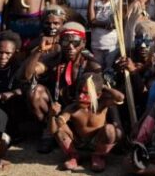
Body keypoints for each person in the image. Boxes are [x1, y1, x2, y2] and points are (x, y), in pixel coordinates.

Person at [24, 22, 102, 153]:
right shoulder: (54, 59)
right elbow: (29, 75)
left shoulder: (91, 64)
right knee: (35, 92)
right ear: (60, 43)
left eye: (75, 43)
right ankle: (49, 131)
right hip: (57, 107)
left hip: (79, 110)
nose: (70, 47)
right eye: (66, 42)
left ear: (83, 43)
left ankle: (82, 136)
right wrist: (39, 51)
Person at [50, 73, 125, 172]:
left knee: (110, 129)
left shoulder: (102, 105)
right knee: (60, 129)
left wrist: (104, 87)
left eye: (86, 93)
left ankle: (98, 156)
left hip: (97, 141)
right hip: (78, 142)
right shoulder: (72, 108)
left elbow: (120, 97)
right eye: (79, 92)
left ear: (97, 95)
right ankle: (73, 156)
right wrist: (52, 115)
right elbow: (54, 130)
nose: (81, 96)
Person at [115, 20, 155, 115]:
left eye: (147, 41)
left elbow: (146, 95)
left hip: (146, 108)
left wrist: (134, 72)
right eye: (139, 40)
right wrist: (118, 71)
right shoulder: (126, 54)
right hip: (124, 102)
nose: (143, 45)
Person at [88, 0, 119, 71]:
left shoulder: (117, 2)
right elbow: (91, 21)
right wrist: (91, 0)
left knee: (109, 71)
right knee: (97, 70)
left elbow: (113, 25)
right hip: (96, 44)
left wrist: (96, 22)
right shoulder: (95, 1)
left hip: (112, 45)